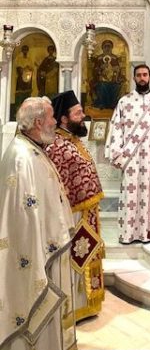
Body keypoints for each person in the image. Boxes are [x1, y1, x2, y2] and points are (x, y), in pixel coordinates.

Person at [0, 97, 77, 350]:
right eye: (51, 117)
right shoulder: (22, 158)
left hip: (46, 247)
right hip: (34, 253)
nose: (55, 122)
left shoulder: (32, 149)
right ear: (37, 122)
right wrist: (38, 250)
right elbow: (22, 217)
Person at [46, 91, 105, 322]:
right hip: (73, 215)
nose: (83, 117)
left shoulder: (73, 140)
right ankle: (76, 306)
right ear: (64, 118)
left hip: (87, 212)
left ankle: (88, 305)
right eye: (78, 113)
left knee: (87, 254)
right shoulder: (56, 145)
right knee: (76, 257)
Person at [105, 64, 150, 243]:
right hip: (132, 159)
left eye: (145, 74)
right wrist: (117, 152)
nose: (142, 78)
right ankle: (130, 233)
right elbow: (116, 128)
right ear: (134, 78)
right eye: (138, 75)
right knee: (131, 195)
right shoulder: (124, 102)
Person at [91, 39, 123, 109]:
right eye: (105, 46)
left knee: (116, 86)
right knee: (102, 85)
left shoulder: (115, 58)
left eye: (109, 46)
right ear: (102, 48)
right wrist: (100, 68)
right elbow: (95, 70)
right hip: (101, 79)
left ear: (112, 48)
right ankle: (102, 103)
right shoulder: (99, 58)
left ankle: (113, 104)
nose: (107, 48)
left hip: (113, 79)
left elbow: (119, 70)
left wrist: (116, 70)